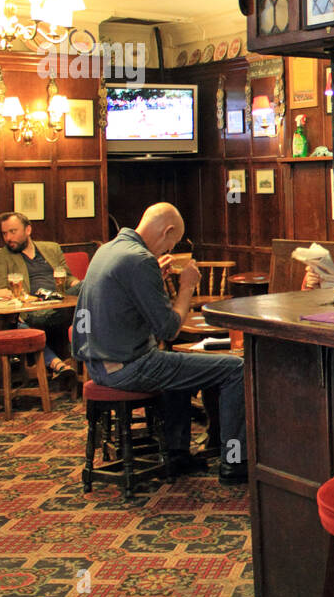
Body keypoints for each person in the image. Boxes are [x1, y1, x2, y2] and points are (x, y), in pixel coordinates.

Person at [72, 202, 246, 485]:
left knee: (178, 367)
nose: (169, 251)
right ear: (167, 231)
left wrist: (155, 276)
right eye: (172, 243)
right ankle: (235, 463)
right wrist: (188, 286)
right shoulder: (139, 260)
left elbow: (130, 301)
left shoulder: (109, 249)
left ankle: (177, 453)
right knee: (235, 367)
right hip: (129, 367)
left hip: (98, 364)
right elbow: (169, 329)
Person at [0, 212, 77, 379]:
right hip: (34, 311)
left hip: (62, 304)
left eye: (13, 231)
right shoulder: (3, 256)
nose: (8, 237)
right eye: (4, 233)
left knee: (89, 286)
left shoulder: (51, 248)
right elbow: (0, 288)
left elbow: (67, 278)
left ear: (28, 230)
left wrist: (76, 284)